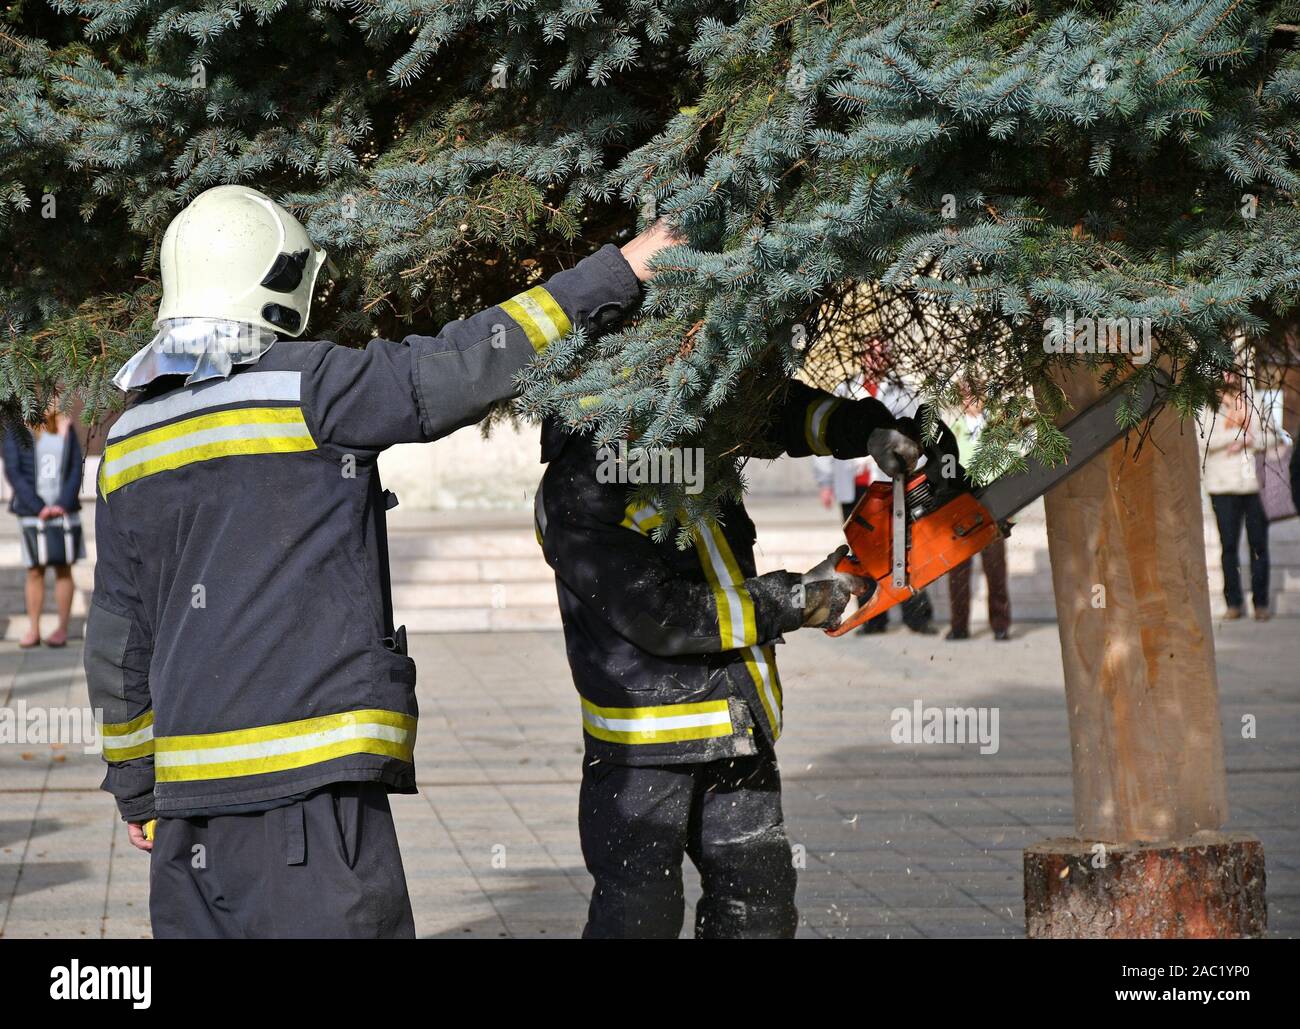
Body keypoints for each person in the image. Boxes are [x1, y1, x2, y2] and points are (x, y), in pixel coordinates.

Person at [84, 183, 674, 938]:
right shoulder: (305, 388)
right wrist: (621, 269)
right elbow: (462, 364)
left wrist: (138, 786)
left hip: (187, 823)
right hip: (306, 809)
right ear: (276, 283)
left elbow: (116, 638)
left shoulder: (129, 441)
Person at [535, 380, 922, 938]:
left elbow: (768, 409)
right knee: (639, 913)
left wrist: (863, 430)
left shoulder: (685, 431)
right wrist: (797, 599)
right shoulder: (582, 489)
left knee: (758, 906)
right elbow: (663, 615)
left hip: (738, 726)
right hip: (643, 751)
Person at [3, 400, 85, 648]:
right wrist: (39, 507)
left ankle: (62, 629)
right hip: (31, 512)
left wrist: (61, 503)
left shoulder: (64, 427)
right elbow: (13, 470)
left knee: (63, 569)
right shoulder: (18, 427)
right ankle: (34, 629)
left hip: (64, 512)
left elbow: (74, 469)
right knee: (34, 571)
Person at [1202, 381, 1272, 621]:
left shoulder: (1255, 401)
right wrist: (1237, 434)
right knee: (1229, 547)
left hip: (1254, 485)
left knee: (1259, 546)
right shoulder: (1208, 403)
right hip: (1222, 486)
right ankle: (1233, 603)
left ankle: (1261, 603)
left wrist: (1251, 440)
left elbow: (1271, 435)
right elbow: (1203, 439)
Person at [943, 396, 1010, 641]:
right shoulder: (953, 430)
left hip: (993, 508)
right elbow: (947, 470)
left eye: (977, 393)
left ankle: (1000, 624)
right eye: (967, 394)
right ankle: (959, 625)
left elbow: (1009, 464)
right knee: (959, 571)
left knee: (996, 568)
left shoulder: (998, 429)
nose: (973, 400)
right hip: (962, 509)